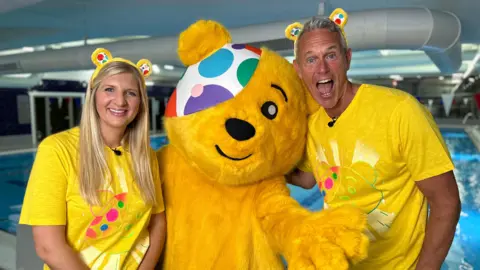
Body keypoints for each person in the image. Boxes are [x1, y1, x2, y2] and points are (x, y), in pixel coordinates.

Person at [285, 8, 461, 270]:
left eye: (330, 55)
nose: (321, 68)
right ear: (298, 70)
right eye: (311, 59)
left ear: (347, 58)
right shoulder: (315, 124)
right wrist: (262, 165)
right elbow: (309, 179)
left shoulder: (400, 111)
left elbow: (447, 203)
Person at [19, 48, 166, 270]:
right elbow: (48, 246)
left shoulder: (146, 157)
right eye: (109, 89)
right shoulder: (57, 150)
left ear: (141, 102)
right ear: (94, 94)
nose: (120, 101)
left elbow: (157, 222)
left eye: (130, 93)